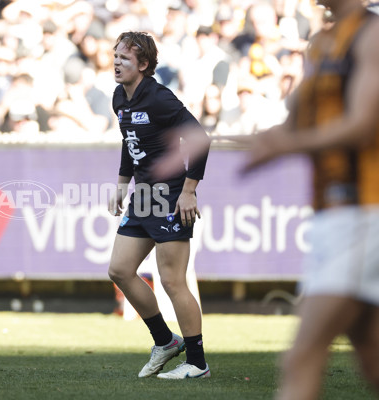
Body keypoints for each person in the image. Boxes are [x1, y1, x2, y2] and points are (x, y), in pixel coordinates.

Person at [157, 1, 379, 397]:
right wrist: (217, 139)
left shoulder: (370, 35)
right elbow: (289, 129)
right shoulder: (322, 43)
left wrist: (286, 146)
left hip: (364, 213)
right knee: (372, 358)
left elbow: (365, 123)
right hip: (336, 216)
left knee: (301, 356)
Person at [107, 31, 211, 380]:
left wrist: (189, 191)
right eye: (115, 55)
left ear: (144, 65)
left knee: (172, 280)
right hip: (144, 197)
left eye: (125, 57)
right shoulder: (119, 97)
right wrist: (123, 185)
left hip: (170, 194)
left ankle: (197, 363)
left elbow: (199, 137)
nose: (117, 61)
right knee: (120, 270)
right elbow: (128, 141)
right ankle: (165, 341)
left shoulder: (160, 98)